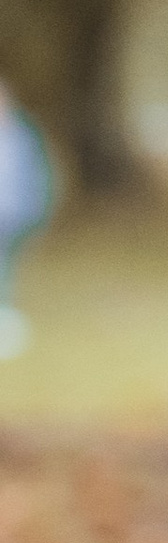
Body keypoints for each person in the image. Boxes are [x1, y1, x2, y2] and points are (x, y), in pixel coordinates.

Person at [0, 77, 53, 359]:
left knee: (6, 270)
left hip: (14, 214)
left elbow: (41, 176)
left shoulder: (23, 135)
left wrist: (39, 208)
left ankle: (5, 321)